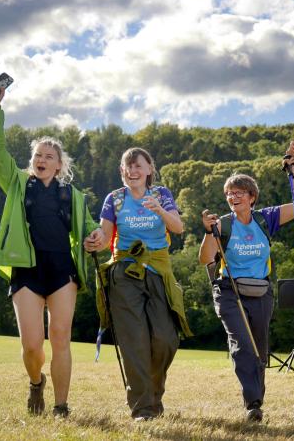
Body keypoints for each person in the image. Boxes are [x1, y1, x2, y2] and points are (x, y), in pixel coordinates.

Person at [0, 79, 102, 417]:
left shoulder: (73, 196)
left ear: (60, 165)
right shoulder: (18, 183)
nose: (42, 159)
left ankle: (61, 407)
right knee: (32, 345)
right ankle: (37, 382)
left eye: (49, 156)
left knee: (60, 338)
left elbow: (90, 228)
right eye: (38, 155)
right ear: (31, 161)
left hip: (62, 270)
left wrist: (96, 237)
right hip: (27, 270)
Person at [199, 141, 294, 422]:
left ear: (251, 197)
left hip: (261, 290)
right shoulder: (222, 223)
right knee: (242, 344)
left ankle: (256, 400)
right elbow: (204, 258)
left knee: (260, 347)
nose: (233, 197)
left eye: (239, 193)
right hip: (229, 291)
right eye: (229, 194)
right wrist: (210, 232)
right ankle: (253, 403)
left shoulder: (264, 219)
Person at [84, 147, 191, 421]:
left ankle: (154, 393)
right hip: (124, 272)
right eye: (127, 167)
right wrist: (94, 240)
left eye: (137, 166)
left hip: (158, 269)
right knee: (134, 341)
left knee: (165, 339)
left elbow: (178, 227)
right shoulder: (114, 199)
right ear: (122, 172)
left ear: (149, 170)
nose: (132, 171)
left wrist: (160, 211)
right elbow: (105, 236)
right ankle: (143, 408)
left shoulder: (162, 195)